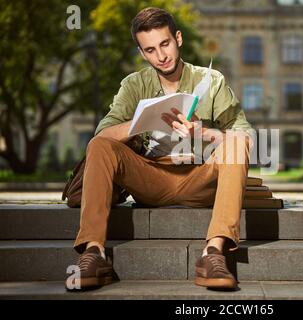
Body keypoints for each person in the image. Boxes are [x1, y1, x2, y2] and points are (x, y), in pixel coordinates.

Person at [65, 7, 252, 291]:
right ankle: (94, 253)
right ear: (142, 53)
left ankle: (213, 253)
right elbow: (102, 135)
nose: (161, 56)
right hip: (150, 178)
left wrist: (202, 132)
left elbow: (246, 136)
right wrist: (139, 123)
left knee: (235, 143)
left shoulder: (212, 81)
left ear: (178, 38)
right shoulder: (134, 84)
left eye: (165, 44)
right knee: (101, 145)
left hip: (199, 178)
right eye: (150, 50)